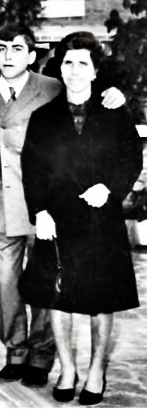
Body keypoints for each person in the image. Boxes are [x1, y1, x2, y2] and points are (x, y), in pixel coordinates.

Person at [0, 24, 125, 388]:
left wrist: (114, 92)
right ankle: (15, 352)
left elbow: (87, 87)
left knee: (47, 284)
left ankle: (42, 356)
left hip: (47, 204)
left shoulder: (52, 86)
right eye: (1, 48)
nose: (8, 55)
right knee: (6, 286)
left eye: (17, 49)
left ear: (31, 55)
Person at [21, 32, 141, 406]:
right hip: (57, 220)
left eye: (82, 63)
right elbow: (32, 168)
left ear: (94, 71)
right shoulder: (43, 118)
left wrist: (110, 188)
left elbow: (131, 159)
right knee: (57, 297)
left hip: (101, 220)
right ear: (60, 68)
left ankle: (96, 371)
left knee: (101, 299)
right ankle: (67, 370)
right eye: (68, 63)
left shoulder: (114, 113)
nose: (74, 70)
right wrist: (39, 211)